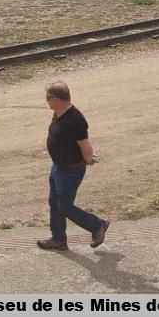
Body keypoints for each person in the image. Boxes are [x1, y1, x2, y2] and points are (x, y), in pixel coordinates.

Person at [37, 81, 109, 251]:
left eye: (47, 98)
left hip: (70, 170)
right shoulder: (58, 113)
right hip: (58, 167)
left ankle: (97, 225)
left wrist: (88, 158)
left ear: (56, 99)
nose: (46, 101)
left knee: (66, 207)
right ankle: (58, 239)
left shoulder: (75, 120)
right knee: (54, 202)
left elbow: (85, 145)